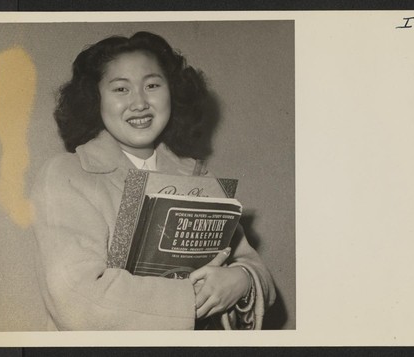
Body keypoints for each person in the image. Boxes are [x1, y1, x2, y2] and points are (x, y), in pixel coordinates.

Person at [31, 31, 276, 331]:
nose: (139, 102)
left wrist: (242, 280)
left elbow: (253, 267)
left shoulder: (199, 177)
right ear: (95, 99)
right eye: (121, 89)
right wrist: (195, 296)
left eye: (152, 85)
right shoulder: (66, 173)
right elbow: (78, 298)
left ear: (172, 92)